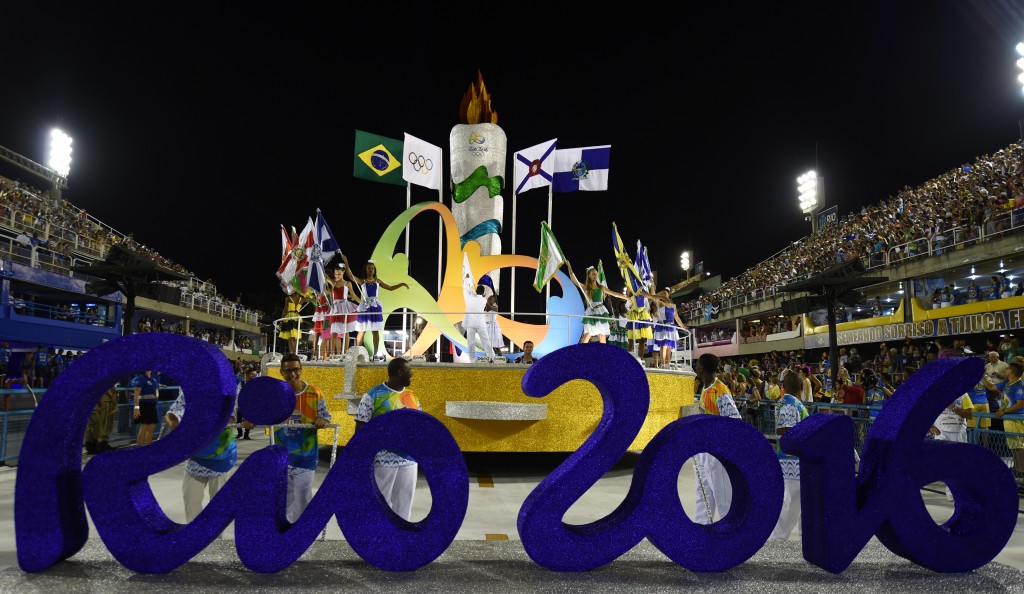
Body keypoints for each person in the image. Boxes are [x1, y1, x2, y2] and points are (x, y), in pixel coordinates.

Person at [354, 357, 421, 521]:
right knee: (380, 504)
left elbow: (419, 425)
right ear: (399, 372)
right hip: (383, 460)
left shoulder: (412, 396)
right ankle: (379, 540)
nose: (412, 374)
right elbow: (360, 429)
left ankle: (401, 540)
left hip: (409, 460)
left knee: (404, 505)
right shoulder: (373, 395)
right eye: (409, 372)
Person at [164, 388, 238, 522]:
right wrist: (174, 423)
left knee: (217, 507)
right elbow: (172, 412)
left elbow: (230, 418)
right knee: (191, 501)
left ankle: (216, 540)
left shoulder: (226, 392)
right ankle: (196, 539)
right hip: (195, 458)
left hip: (220, 458)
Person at [275, 353, 331, 523]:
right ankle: (285, 534)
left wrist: (323, 421)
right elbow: (263, 415)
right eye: (288, 370)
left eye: (296, 370)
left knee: (303, 501)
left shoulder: (315, 393)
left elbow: (326, 417)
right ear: (281, 372)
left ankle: (299, 535)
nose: (293, 374)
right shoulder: (275, 394)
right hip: (281, 457)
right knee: (283, 501)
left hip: (306, 457)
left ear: (302, 370)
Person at [694, 353, 742, 525]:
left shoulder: (720, 390)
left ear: (703, 368)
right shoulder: (705, 388)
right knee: (703, 494)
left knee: (722, 496)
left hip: (716, 451)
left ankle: (729, 531)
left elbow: (734, 420)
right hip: (703, 450)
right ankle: (702, 529)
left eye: (698, 363)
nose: (696, 366)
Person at [341, 254, 409, 360]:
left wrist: (401, 284)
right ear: (366, 269)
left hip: (375, 306)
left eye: (372, 268)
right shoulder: (362, 281)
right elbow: (350, 276)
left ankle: (376, 354)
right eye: (369, 268)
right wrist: (346, 263)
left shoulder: (378, 281)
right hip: (365, 307)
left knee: (375, 331)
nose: (371, 270)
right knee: (362, 331)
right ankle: (357, 353)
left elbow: (390, 288)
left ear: (374, 270)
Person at [769, 370, 808, 541]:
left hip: (790, 460)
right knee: (791, 503)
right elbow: (786, 431)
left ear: (783, 387)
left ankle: (801, 536)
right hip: (792, 461)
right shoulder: (792, 404)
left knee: (798, 503)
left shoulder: (784, 402)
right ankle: (778, 538)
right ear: (801, 387)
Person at [565, 261, 627, 344]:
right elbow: (573, 279)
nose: (595, 276)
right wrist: (569, 265)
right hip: (592, 312)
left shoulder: (601, 287)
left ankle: (602, 354)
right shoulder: (586, 288)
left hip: (601, 312)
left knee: (602, 335)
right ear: (589, 276)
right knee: (587, 335)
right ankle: (580, 353)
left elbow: (614, 293)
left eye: (596, 274)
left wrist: (627, 298)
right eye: (593, 274)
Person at [929, 386, 973, 501]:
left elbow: (970, 415)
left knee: (960, 464)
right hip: (941, 433)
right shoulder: (937, 394)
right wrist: (931, 426)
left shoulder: (964, 395)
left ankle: (961, 491)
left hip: (959, 433)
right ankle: (950, 492)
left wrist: (954, 408)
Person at [326, 264, 359, 357]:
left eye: (339, 274)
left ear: (343, 272)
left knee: (346, 330)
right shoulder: (333, 282)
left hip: (344, 307)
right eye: (336, 274)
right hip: (336, 308)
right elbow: (324, 276)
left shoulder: (347, 283)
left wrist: (362, 303)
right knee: (334, 330)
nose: (337, 276)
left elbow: (354, 296)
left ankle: (345, 352)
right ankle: (332, 353)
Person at [652, 289, 687, 368]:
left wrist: (683, 326)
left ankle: (668, 365)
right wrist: (652, 288)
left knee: (669, 347)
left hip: (671, 326)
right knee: (663, 346)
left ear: (668, 294)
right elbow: (653, 297)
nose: (663, 295)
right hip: (663, 326)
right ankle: (663, 364)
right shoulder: (660, 303)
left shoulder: (673, 305)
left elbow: (676, 317)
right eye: (661, 293)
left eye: (664, 293)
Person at [84, 384, 119, 455]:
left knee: (107, 424)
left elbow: (114, 391)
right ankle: (95, 445)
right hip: (100, 401)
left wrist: (114, 402)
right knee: (98, 424)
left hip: (108, 401)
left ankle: (103, 443)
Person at [131, 370, 163, 446]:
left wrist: (160, 385)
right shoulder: (141, 378)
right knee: (144, 427)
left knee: (152, 427)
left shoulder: (152, 378)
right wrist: (136, 408)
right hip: (144, 405)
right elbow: (136, 394)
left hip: (152, 405)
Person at [462, 281, 492, 362]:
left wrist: (467, 280)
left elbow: (466, 290)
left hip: (470, 323)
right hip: (480, 324)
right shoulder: (484, 300)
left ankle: (472, 360)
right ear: (483, 293)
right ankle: (491, 357)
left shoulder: (470, 298)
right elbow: (475, 294)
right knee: (486, 341)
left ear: (476, 291)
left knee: (470, 343)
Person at [235, 365, 257, 439]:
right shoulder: (241, 384)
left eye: (255, 375)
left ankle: (246, 434)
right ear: (247, 375)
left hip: (250, 406)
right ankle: (239, 433)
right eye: (251, 375)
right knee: (239, 420)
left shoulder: (256, 385)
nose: (253, 377)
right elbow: (238, 394)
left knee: (249, 420)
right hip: (241, 405)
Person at [484, 291, 504, 356]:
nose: (489, 299)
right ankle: (489, 361)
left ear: (494, 300)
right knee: (488, 347)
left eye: (491, 299)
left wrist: (483, 299)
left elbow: (490, 308)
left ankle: (502, 362)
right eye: (488, 298)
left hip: (494, 327)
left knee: (497, 348)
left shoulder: (495, 307)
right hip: (486, 327)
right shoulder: (484, 307)